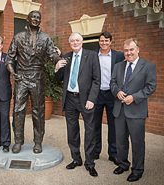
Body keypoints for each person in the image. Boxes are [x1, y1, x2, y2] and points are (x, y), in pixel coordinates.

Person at [5, 10, 61, 154]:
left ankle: (38, 142)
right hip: (21, 78)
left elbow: (52, 54)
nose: (36, 19)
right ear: (27, 19)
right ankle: (18, 141)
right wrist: (14, 73)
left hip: (37, 77)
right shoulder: (18, 37)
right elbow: (9, 59)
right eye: (33, 17)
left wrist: (58, 60)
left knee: (38, 111)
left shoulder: (46, 38)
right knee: (18, 110)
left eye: (38, 17)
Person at [110, 38, 156, 182]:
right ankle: (123, 164)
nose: (128, 53)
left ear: (138, 49)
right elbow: (112, 82)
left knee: (137, 142)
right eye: (126, 50)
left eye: (131, 49)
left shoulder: (148, 66)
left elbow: (150, 87)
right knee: (120, 141)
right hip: (119, 110)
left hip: (136, 110)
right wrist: (116, 91)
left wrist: (134, 97)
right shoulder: (118, 66)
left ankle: (137, 169)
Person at [55, 32, 101, 177]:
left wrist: (92, 99)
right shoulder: (66, 57)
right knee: (72, 131)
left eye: (77, 40)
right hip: (69, 98)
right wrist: (57, 68)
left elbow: (97, 79)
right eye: (72, 41)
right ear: (70, 43)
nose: (75, 43)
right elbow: (59, 78)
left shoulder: (92, 55)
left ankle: (90, 163)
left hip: (86, 99)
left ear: (82, 42)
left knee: (90, 131)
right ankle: (76, 159)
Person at [93, 32, 125, 164]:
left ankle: (113, 153)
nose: (104, 43)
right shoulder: (93, 55)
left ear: (111, 42)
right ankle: (95, 152)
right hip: (97, 94)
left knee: (114, 125)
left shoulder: (119, 56)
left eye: (106, 41)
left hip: (113, 95)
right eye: (101, 41)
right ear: (98, 42)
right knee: (95, 125)